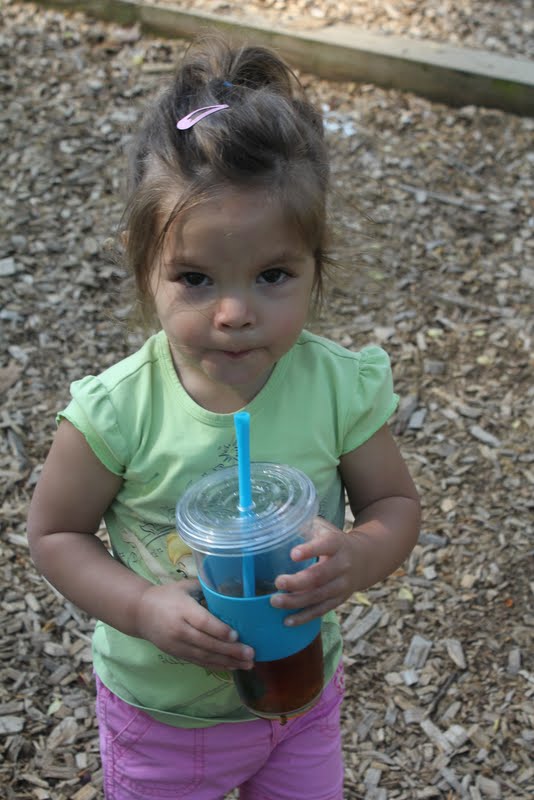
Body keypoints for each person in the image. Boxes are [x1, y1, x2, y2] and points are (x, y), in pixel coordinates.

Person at [27, 33, 421, 800]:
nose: (235, 312)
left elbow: (394, 504)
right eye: (196, 278)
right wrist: (141, 605)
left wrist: (357, 556)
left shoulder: (336, 387)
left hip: (301, 698)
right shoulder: (118, 411)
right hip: (163, 722)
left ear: (316, 265)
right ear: (143, 263)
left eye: (272, 274)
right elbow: (55, 535)